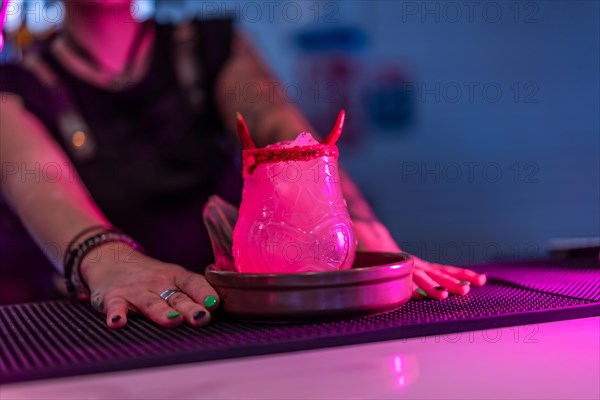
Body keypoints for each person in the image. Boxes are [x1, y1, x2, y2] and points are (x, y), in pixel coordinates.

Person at [0, 0, 486, 329]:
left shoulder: (210, 44)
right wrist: (106, 262)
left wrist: (350, 219)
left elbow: (275, 123)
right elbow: (36, 183)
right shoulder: (16, 85)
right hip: (107, 318)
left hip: (232, 312)